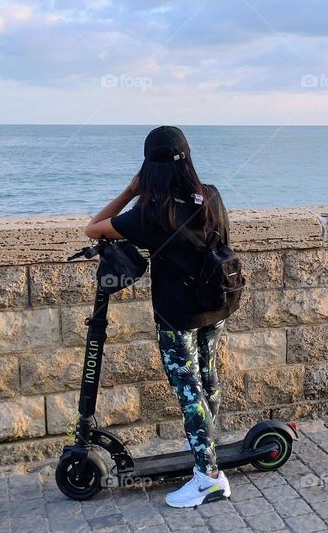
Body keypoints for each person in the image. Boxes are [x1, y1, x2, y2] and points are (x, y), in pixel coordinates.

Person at [85, 126, 232, 508]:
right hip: (216, 303)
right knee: (208, 377)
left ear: (148, 167)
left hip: (177, 316)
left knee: (189, 393)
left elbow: (93, 227)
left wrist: (131, 191)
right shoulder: (211, 196)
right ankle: (206, 449)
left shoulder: (150, 213)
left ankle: (209, 478)